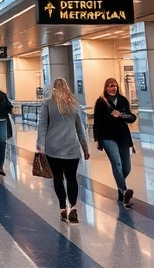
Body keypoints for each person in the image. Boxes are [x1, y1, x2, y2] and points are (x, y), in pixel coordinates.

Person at [36, 78, 90, 224]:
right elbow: (80, 127)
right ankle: (73, 207)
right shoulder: (74, 104)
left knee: (58, 177)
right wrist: (85, 147)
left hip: (53, 147)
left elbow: (42, 125)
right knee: (71, 178)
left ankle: (62, 208)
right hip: (71, 147)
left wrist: (40, 145)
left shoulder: (47, 103)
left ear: (53, 88)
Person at [93, 77, 137, 207]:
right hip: (108, 137)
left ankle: (120, 188)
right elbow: (98, 121)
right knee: (116, 163)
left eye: (115, 86)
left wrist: (121, 115)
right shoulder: (101, 102)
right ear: (106, 87)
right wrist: (98, 139)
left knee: (127, 167)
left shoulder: (123, 100)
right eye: (111, 86)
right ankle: (124, 191)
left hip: (123, 136)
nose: (113, 88)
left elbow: (131, 117)